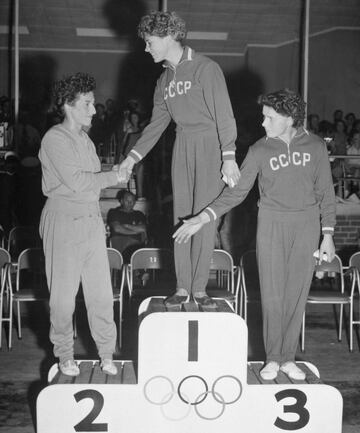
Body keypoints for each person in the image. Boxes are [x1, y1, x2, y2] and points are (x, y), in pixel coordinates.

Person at [174, 89, 336, 381]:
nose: (263, 123)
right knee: (273, 296)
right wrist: (203, 217)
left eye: (269, 117)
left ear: (288, 118)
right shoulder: (259, 150)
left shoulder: (315, 147)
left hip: (307, 226)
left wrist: (328, 234)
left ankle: (289, 358)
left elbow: (326, 192)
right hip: (271, 224)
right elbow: (235, 193)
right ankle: (273, 358)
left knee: (296, 296)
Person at [118, 11, 240, 308]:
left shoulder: (205, 68)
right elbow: (156, 125)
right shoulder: (164, 80)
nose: (146, 49)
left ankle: (200, 289)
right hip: (182, 145)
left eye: (149, 42)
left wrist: (229, 156)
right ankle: (182, 287)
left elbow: (224, 115)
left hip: (211, 145)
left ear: (168, 36)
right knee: (181, 217)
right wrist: (131, 159)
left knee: (204, 220)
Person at [38, 72, 122, 376]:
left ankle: (106, 353)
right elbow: (75, 182)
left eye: (93, 103)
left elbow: (91, 185)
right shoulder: (54, 138)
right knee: (63, 296)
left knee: (100, 292)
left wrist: (115, 171)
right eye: (87, 103)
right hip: (63, 218)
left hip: (89, 218)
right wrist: (114, 176)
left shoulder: (85, 140)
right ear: (67, 105)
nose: (94, 110)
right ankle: (64, 354)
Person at [107, 190, 147, 262]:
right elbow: (117, 228)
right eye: (127, 200)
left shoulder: (139, 214)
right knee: (134, 252)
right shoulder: (114, 212)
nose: (130, 203)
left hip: (137, 244)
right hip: (119, 243)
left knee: (139, 250)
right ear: (121, 201)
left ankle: (139, 271)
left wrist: (127, 226)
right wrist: (135, 231)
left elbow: (143, 228)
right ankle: (140, 272)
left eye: (132, 201)